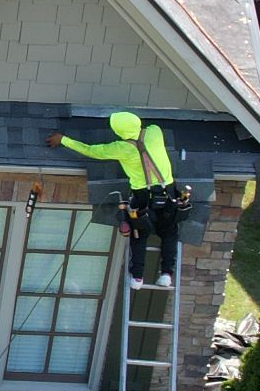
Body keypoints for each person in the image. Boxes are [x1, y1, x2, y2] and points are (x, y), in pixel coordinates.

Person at [50, 111, 190, 287]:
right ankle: (167, 275)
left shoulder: (120, 148)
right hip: (168, 192)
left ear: (119, 131)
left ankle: (137, 278)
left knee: (139, 233)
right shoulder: (155, 131)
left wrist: (63, 140)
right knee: (169, 232)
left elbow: (90, 150)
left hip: (143, 195)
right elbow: (147, 130)